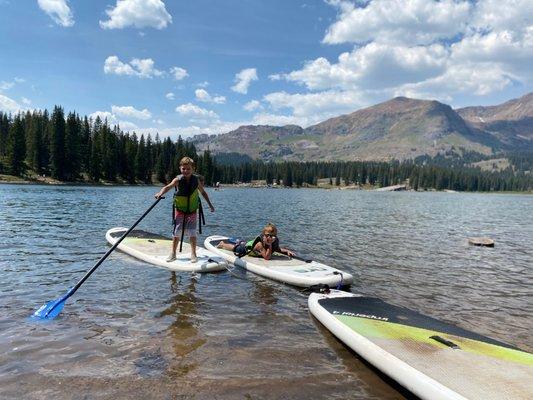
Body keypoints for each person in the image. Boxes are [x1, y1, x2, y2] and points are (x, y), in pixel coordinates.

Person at [155, 157, 215, 263]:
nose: (186, 171)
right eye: (183, 169)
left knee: (192, 232)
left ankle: (193, 254)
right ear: (180, 169)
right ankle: (173, 253)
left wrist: (210, 205)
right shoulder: (177, 180)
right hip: (180, 210)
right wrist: (160, 193)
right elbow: (167, 187)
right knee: (177, 232)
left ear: (193, 169)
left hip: (192, 211)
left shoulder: (196, 180)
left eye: (188, 169)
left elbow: (203, 193)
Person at [218, 223, 295, 260]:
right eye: (268, 235)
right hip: (247, 249)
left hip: (252, 246)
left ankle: (239, 241)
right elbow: (267, 257)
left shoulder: (273, 241)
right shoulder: (260, 244)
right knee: (235, 248)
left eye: (272, 235)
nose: (270, 237)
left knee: (242, 243)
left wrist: (286, 251)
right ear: (263, 235)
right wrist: (270, 245)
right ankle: (222, 244)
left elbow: (277, 249)